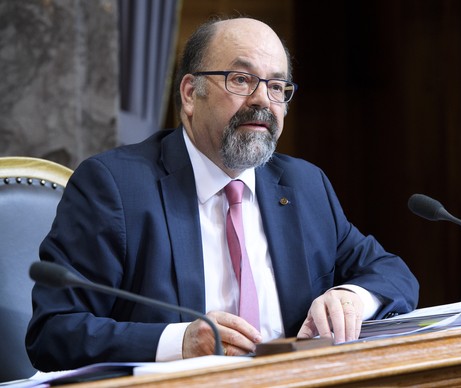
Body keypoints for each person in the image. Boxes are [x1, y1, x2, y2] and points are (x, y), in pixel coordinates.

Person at [26, 17, 419, 371]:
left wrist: (352, 297)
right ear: (189, 93)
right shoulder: (115, 187)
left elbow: (393, 274)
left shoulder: (304, 185)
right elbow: (55, 331)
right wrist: (179, 342)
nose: (263, 101)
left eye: (278, 87)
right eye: (241, 80)